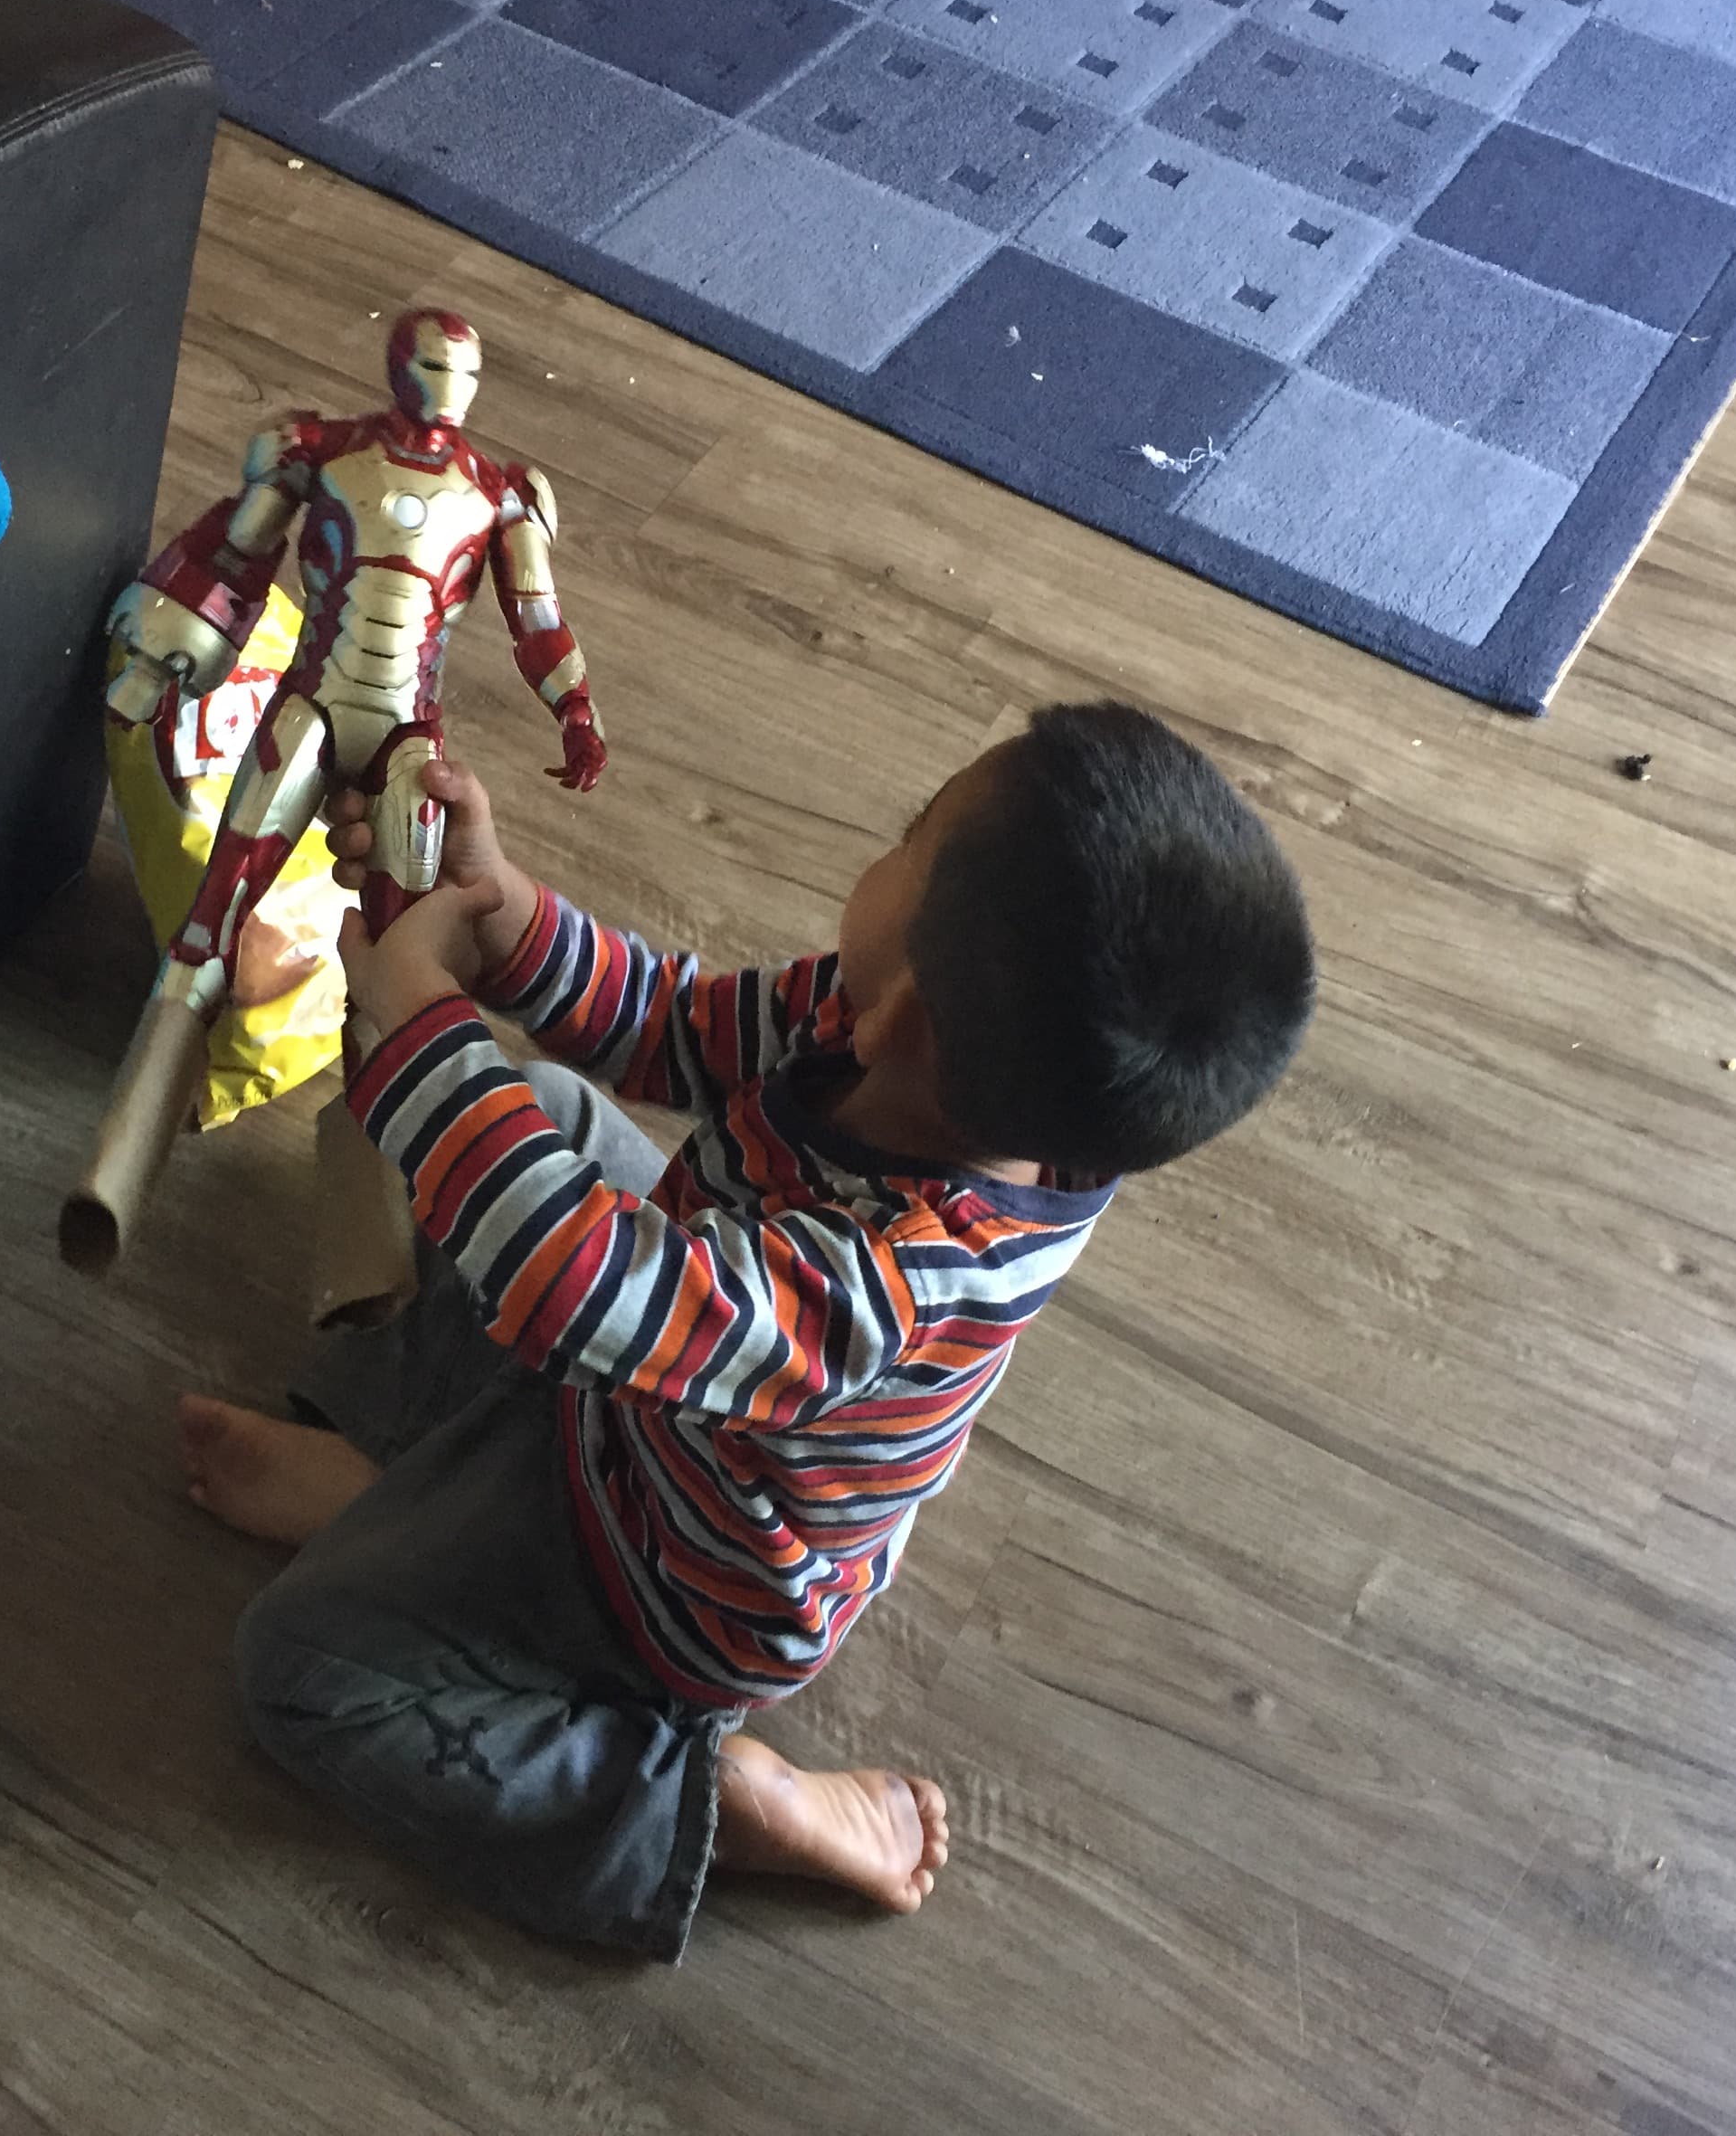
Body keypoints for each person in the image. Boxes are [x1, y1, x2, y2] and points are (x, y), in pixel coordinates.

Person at [177, 703, 1317, 1959]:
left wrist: (418, 1028)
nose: (882, 847)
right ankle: (416, 1496)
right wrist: (505, 926)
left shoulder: (890, 1287)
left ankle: (691, 1795)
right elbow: (675, 1027)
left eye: (911, 834)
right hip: (658, 1383)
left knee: (298, 1668)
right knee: (539, 1111)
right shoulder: (909, 1036)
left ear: (910, 1015)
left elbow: (576, 1287)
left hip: (663, 1573)